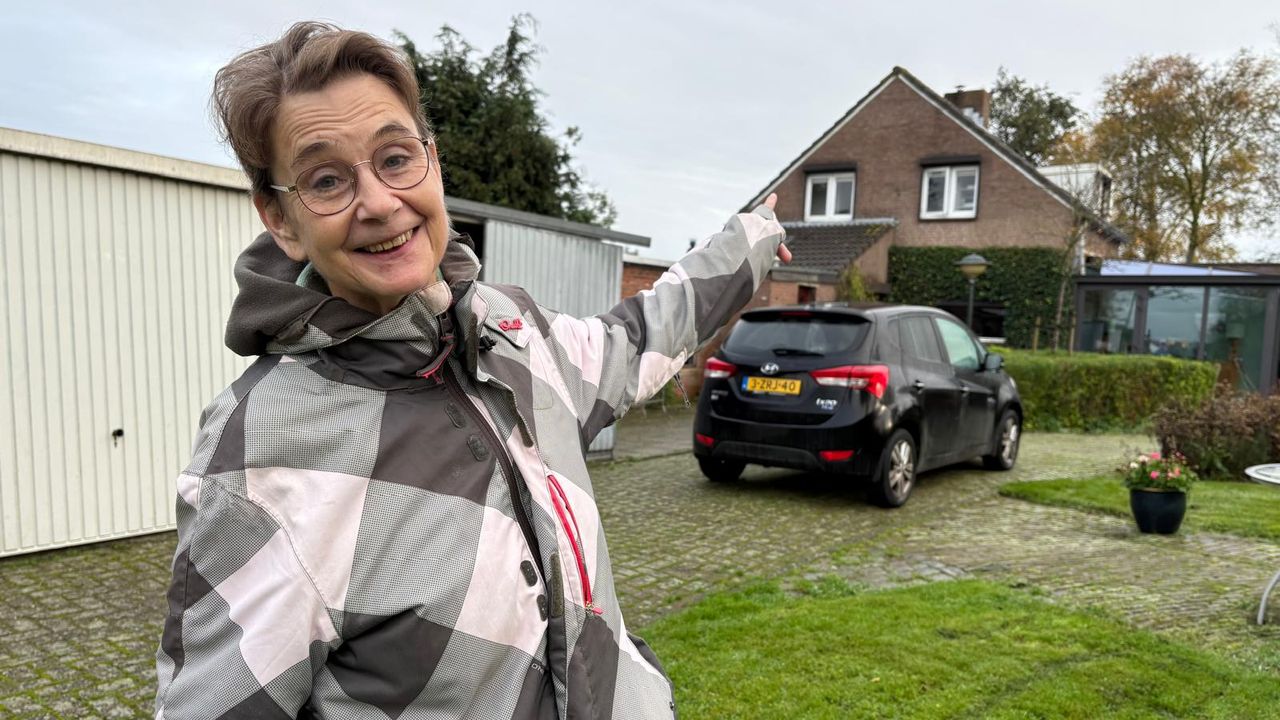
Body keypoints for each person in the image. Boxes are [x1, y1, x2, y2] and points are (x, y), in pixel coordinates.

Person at [155, 21, 789, 720]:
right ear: (279, 218)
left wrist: (752, 241)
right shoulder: (257, 456)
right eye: (327, 180)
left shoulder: (511, 330)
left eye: (396, 158)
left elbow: (637, 339)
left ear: (432, 160)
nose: (379, 202)